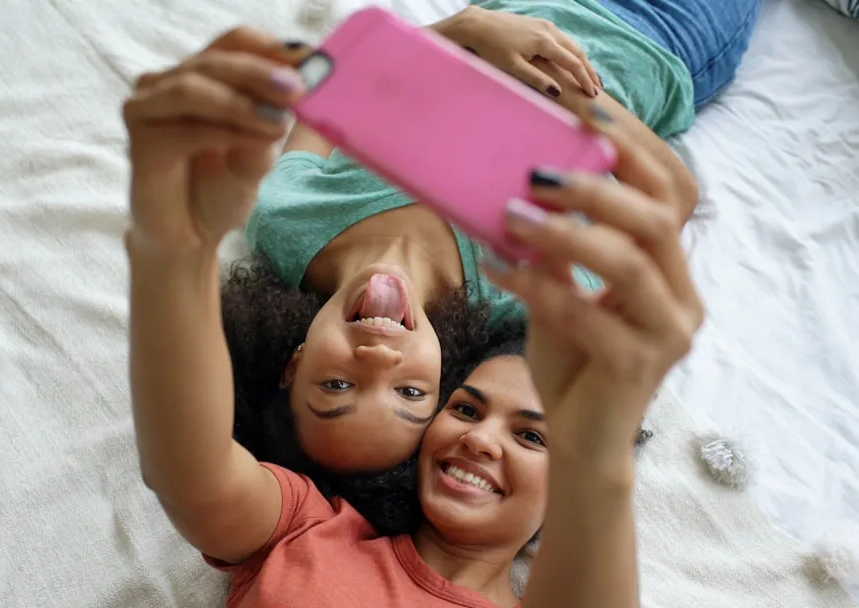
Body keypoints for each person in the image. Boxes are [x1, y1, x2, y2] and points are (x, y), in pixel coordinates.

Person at [123, 26, 704, 606]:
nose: (479, 440)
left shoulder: (311, 533)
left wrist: (173, 255)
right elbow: (666, 197)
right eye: (529, 433)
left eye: (457, 406)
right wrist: (595, 451)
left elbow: (192, 476)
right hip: (648, 49)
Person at [227, 0, 760, 492]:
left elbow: (330, 77)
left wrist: (468, 29)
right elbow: (671, 194)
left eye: (338, 384)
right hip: (653, 31)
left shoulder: (286, 223)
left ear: (295, 364)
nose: (379, 356)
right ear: (441, 388)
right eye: (409, 394)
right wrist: (559, 86)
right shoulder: (519, 289)